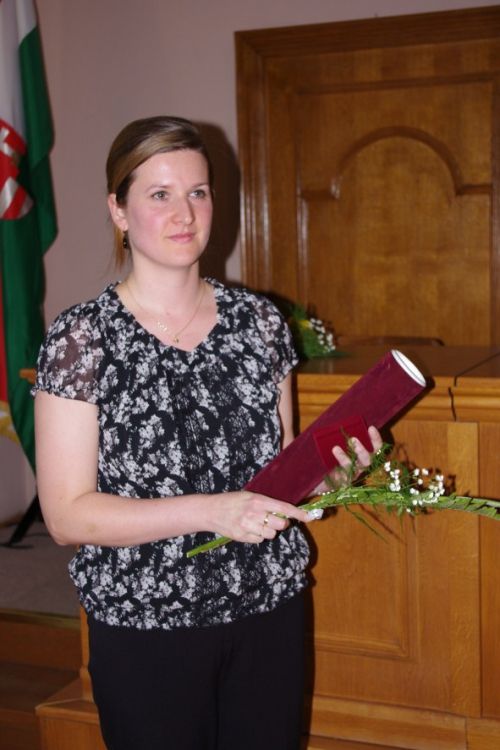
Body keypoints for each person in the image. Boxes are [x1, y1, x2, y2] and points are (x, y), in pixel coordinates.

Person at [33, 116, 382, 750]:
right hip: (146, 622)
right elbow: (65, 517)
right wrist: (212, 511)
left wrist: (337, 473)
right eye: (159, 194)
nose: (185, 213)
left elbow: (280, 476)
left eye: (197, 191)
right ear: (118, 210)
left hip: (267, 608)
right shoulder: (82, 338)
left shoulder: (260, 323)